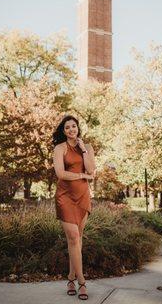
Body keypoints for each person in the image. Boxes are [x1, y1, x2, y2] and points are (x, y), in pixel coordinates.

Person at [52, 115, 96, 300]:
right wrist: (81, 176)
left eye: (74, 126)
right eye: (67, 127)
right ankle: (82, 282)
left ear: (78, 128)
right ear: (63, 131)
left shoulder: (88, 147)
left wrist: (84, 149)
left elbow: (91, 170)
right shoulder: (59, 148)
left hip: (82, 196)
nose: (71, 129)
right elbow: (61, 173)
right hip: (65, 197)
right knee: (73, 237)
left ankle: (70, 278)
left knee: (76, 240)